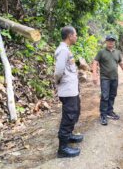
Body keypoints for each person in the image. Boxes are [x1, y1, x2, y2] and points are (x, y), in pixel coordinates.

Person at [54, 26, 83, 158]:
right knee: (69, 116)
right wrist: (60, 82)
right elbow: (59, 71)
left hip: (72, 89)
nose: (76, 37)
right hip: (67, 90)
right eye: (75, 35)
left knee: (75, 112)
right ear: (70, 36)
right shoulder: (62, 51)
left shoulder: (66, 50)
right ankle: (63, 149)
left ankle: (69, 136)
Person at [92, 35, 123, 125]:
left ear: (114, 42)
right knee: (105, 96)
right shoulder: (101, 52)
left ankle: (109, 111)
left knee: (112, 95)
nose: (111, 42)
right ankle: (103, 115)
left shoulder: (117, 52)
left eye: (112, 41)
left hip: (114, 78)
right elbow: (95, 62)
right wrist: (94, 75)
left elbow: (121, 63)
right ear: (106, 41)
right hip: (105, 78)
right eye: (109, 40)